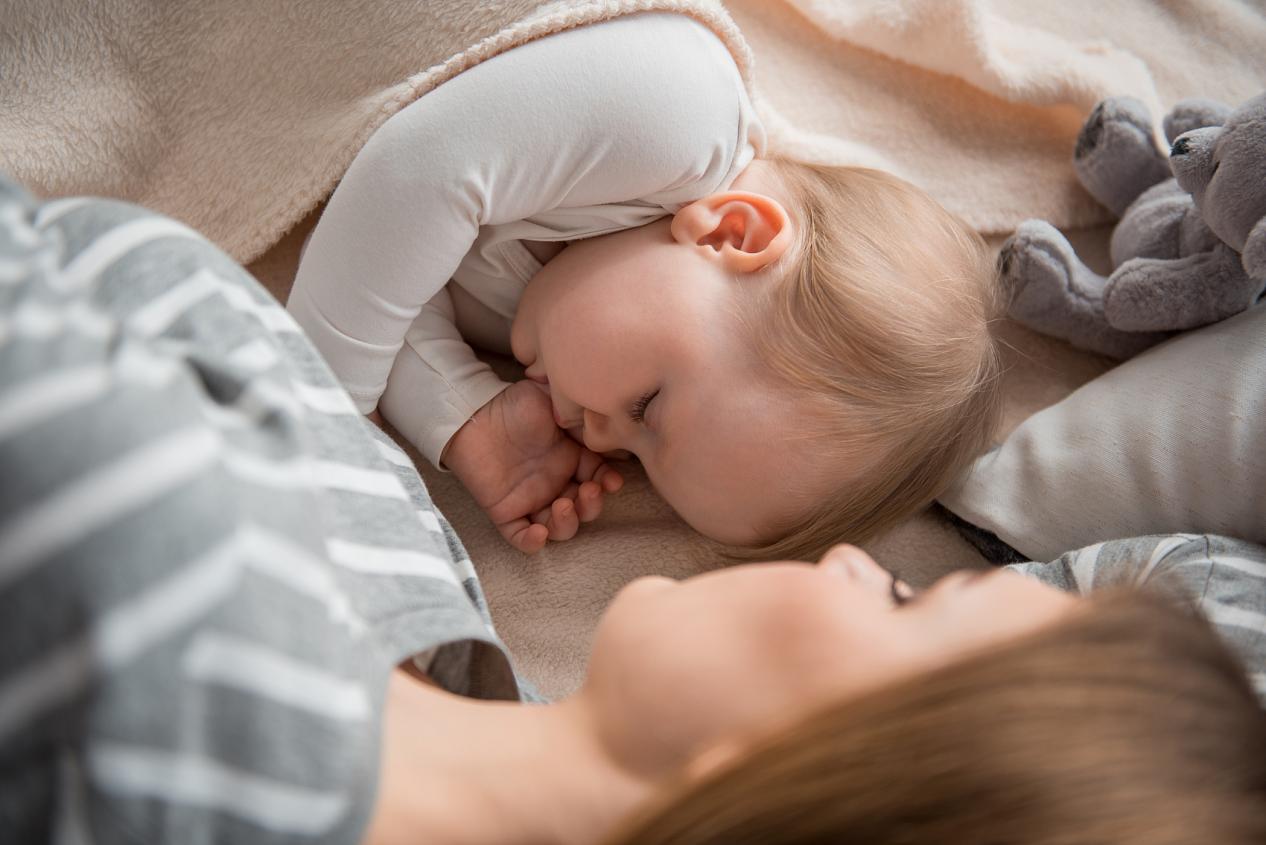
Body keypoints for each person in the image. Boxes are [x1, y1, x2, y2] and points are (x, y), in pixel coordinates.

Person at [5, 180, 1264, 845]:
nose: (845, 559)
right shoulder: (434, 629)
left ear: (823, 774)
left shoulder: (142, 591)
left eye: (901, 599)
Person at [287, 12, 1001, 558]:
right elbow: (415, 173)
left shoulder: (547, 300)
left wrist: (463, 412)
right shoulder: (679, 117)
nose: (595, 433)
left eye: (634, 458)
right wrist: (322, 419)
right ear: (730, 234)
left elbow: (361, 266)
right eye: (647, 406)